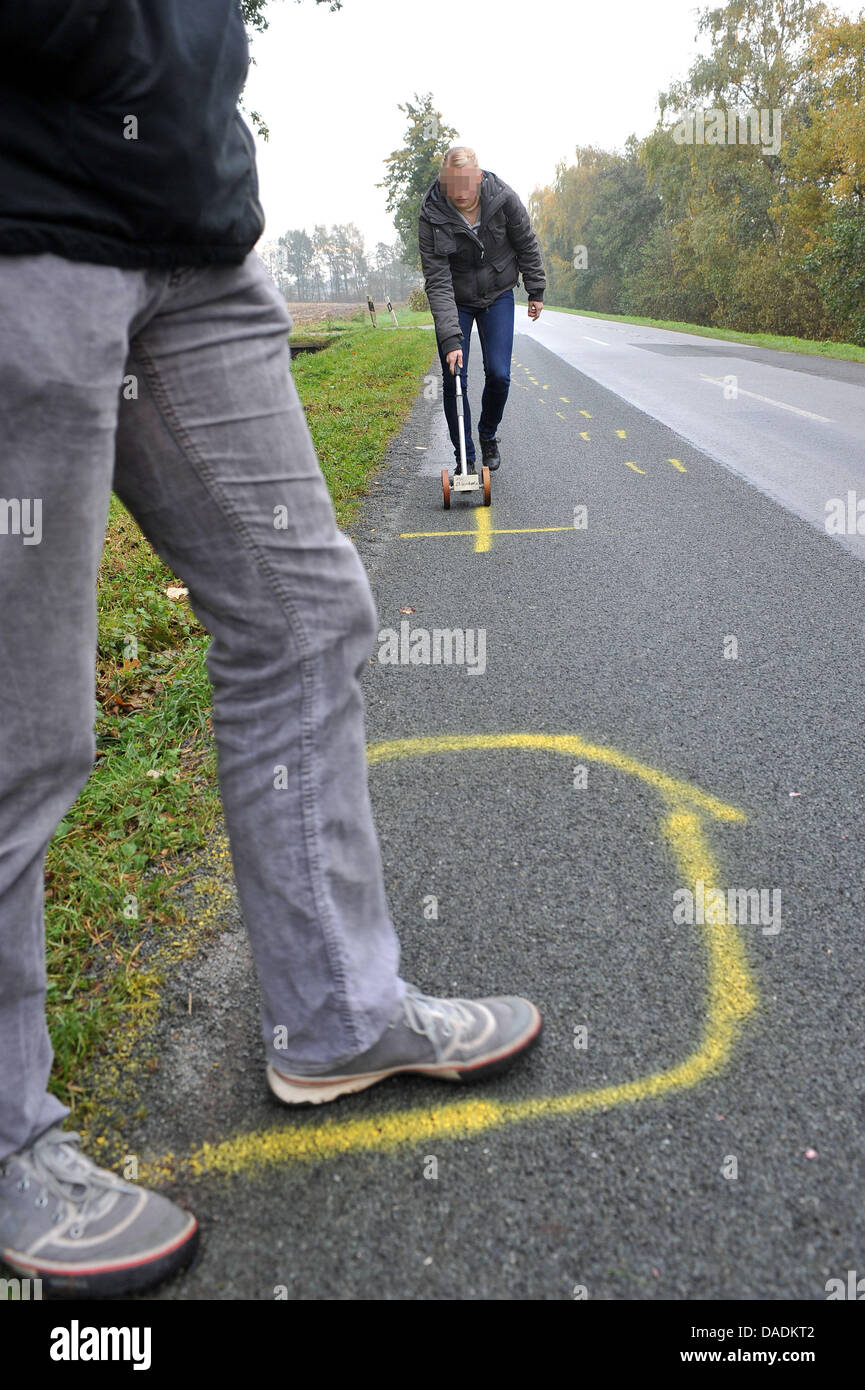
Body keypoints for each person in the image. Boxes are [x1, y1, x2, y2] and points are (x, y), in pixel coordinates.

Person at [0, 3, 542, 1298]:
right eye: (455, 174)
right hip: (21, 223)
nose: (461, 180)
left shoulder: (498, 197)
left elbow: (506, 244)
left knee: (306, 621)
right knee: (23, 722)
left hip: (192, 220)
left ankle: (339, 1014)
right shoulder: (430, 208)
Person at [418, 147, 546, 474]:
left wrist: (535, 289)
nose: (459, 193)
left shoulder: (503, 198)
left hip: (498, 293)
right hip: (456, 298)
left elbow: (526, 242)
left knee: (500, 374)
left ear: (478, 176)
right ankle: (465, 459)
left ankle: (488, 435)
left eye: (466, 184)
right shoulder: (431, 213)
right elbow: (437, 278)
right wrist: (450, 340)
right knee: (454, 377)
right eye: (452, 185)